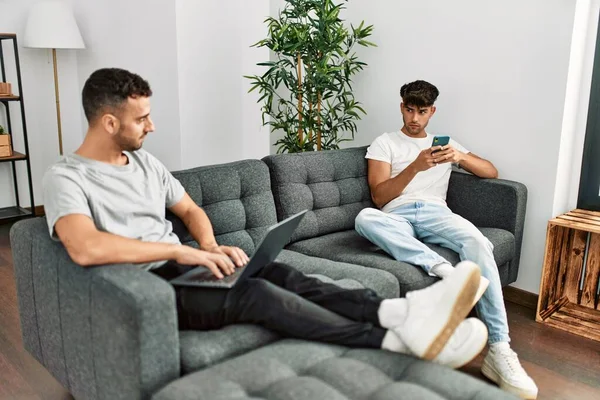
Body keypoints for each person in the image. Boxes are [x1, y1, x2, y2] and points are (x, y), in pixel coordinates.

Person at [43, 68, 488, 370]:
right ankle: (391, 340)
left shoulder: (143, 163)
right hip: (147, 289)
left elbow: (190, 209)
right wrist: (182, 250)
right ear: (107, 122)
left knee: (278, 269)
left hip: (185, 265)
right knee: (255, 293)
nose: (152, 126)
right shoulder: (67, 177)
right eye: (141, 119)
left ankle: (395, 310)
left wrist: (210, 246)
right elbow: (87, 247)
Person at [354, 80, 537, 399]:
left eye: (421, 112)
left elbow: (490, 171)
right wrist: (414, 167)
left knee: (478, 242)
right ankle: (443, 269)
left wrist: (459, 157)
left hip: (436, 213)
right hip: (395, 215)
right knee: (364, 218)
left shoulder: (446, 143)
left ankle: (499, 349)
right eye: (409, 110)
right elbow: (379, 197)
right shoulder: (384, 143)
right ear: (401, 107)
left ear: (432, 112)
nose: (414, 118)